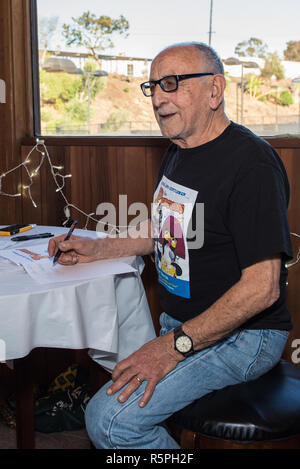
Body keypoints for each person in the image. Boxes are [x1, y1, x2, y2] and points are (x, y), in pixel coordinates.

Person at [48, 42, 293, 449]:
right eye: (153, 86)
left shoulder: (252, 165)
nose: (159, 97)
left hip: (244, 337)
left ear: (215, 91)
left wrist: (173, 347)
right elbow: (166, 226)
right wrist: (101, 248)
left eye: (172, 84)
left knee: (110, 422)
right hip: (181, 325)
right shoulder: (179, 148)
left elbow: (262, 287)